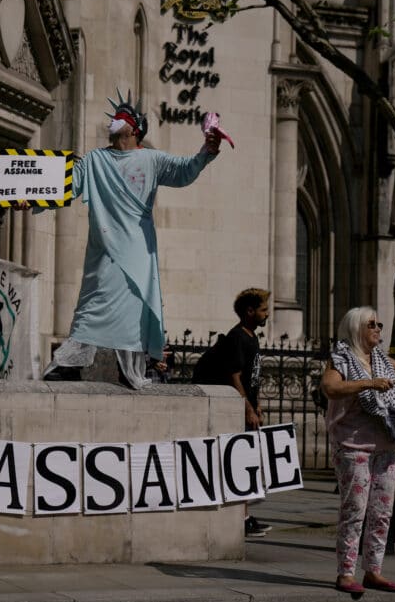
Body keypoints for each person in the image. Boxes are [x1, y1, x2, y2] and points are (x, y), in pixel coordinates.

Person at [30, 90, 225, 389]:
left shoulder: (152, 159)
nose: (115, 119)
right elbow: (66, 185)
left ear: (134, 129)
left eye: (123, 116)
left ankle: (131, 369)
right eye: (115, 116)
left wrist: (207, 152)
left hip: (136, 255)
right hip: (104, 251)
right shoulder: (94, 160)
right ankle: (67, 364)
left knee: (132, 314)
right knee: (91, 306)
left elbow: (185, 172)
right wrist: (29, 197)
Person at [321, 306, 395, 596]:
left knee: (381, 512)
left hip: (386, 444)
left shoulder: (380, 359)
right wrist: (368, 383)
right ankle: (346, 573)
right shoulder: (342, 358)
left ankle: (373, 570)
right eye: (371, 324)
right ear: (356, 328)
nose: (378, 329)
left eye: (380, 324)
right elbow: (330, 388)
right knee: (355, 510)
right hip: (353, 446)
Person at [192, 287, 272, 537]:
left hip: (247, 409)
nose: (267, 314)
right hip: (238, 411)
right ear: (250, 312)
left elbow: (251, 377)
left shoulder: (252, 337)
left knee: (246, 464)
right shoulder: (238, 337)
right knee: (240, 464)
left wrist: (256, 403)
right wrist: (247, 407)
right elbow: (234, 376)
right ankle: (242, 518)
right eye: (263, 310)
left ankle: (244, 516)